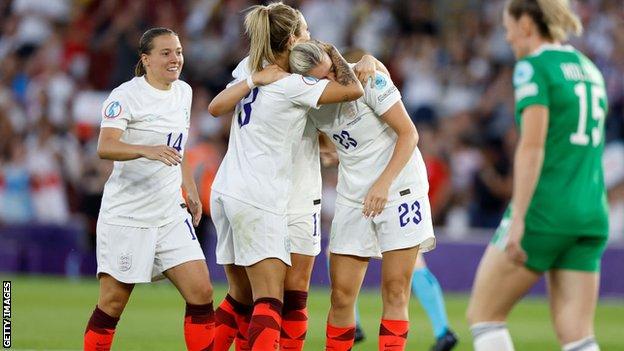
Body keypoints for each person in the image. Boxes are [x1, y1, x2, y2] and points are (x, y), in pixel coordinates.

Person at [207, 3, 364, 350]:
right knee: (271, 300)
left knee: (248, 296)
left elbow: (219, 106)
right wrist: (332, 51)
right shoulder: (294, 84)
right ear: (293, 39)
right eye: (307, 32)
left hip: (236, 189)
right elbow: (353, 90)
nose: (313, 38)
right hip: (261, 196)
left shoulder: (252, 67)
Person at [466, 1, 608, 351]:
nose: (507, 36)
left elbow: (532, 146)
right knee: (577, 332)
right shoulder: (589, 68)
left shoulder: (533, 68)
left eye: (508, 26)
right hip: (590, 212)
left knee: (484, 315)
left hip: (546, 210)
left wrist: (518, 219)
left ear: (526, 23)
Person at [288, 41, 436, 351]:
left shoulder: (368, 78)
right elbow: (339, 142)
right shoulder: (309, 101)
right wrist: (332, 152)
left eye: (331, 71)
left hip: (399, 188)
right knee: (341, 295)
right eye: (319, 79)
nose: (331, 81)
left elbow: (409, 134)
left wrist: (383, 184)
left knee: (395, 291)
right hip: (354, 195)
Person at [83, 28, 215, 351]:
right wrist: (146, 149)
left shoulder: (183, 92)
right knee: (112, 303)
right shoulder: (125, 96)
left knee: (202, 293)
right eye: (166, 53)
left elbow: (177, 146)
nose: (175, 59)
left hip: (169, 212)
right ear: (146, 59)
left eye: (179, 51)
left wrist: (190, 187)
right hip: (129, 214)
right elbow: (106, 145)